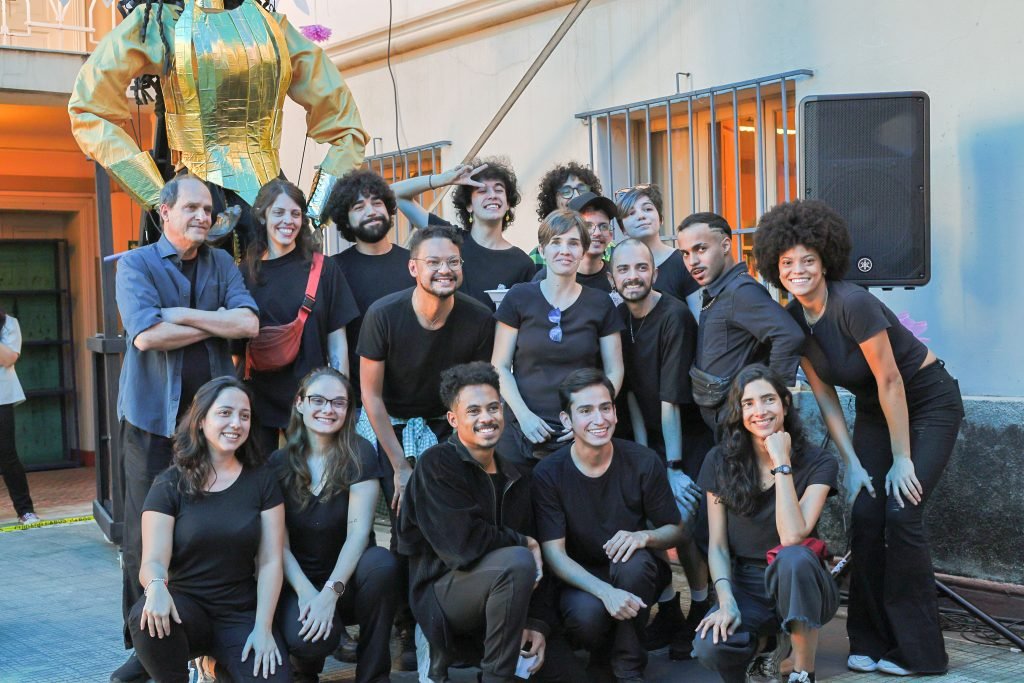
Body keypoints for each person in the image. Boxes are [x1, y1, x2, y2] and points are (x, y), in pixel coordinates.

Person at [753, 199, 963, 676]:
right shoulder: (792, 318)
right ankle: (868, 640)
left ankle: (917, 653)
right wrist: (849, 461)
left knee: (901, 510)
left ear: (826, 259)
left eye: (808, 259)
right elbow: (826, 396)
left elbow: (891, 381)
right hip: (874, 411)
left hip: (927, 402)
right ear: (775, 267)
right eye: (787, 263)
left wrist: (902, 458)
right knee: (866, 513)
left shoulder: (853, 303)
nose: (798, 270)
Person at [112, 174, 259, 683]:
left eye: (209, 211)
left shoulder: (222, 263)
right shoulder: (135, 264)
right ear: (165, 210)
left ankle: (203, 632)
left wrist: (184, 315)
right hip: (153, 422)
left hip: (213, 429)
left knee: (206, 527)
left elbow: (249, 325)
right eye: (192, 208)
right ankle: (143, 641)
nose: (203, 217)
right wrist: (214, 317)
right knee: (142, 534)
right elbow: (148, 336)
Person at [69, 0, 367, 248]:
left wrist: (314, 213)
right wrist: (312, 216)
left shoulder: (273, 28)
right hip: (254, 203)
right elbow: (88, 109)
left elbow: (87, 110)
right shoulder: (163, 23)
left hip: (218, 205)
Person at [357, 223, 495, 668]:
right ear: (413, 267)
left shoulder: (478, 317)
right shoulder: (383, 313)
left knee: (451, 505)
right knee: (403, 508)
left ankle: (450, 618)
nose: (444, 269)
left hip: (447, 424)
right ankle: (404, 623)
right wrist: (400, 464)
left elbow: (476, 393)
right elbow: (370, 396)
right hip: (388, 421)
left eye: (452, 261)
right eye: (433, 262)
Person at [399, 362, 585, 683]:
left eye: (493, 407)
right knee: (517, 559)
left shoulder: (516, 476)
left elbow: (541, 562)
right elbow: (461, 546)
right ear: (453, 420)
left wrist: (538, 623)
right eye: (473, 411)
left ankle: (509, 658)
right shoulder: (436, 465)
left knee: (570, 676)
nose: (486, 418)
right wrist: (522, 542)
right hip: (444, 599)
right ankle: (496, 676)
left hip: (507, 606)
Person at [128, 376, 288, 683]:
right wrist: (157, 586)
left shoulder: (262, 480)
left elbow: (270, 561)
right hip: (184, 610)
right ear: (201, 420)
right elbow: (152, 561)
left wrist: (263, 628)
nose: (236, 423)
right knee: (145, 616)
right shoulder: (169, 484)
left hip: (239, 612)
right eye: (225, 413)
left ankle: (216, 667)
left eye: (244, 415)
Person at [533, 369, 685, 682]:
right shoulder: (548, 473)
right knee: (587, 618)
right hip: (581, 578)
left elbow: (676, 529)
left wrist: (644, 536)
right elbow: (555, 555)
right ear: (566, 420)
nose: (599, 419)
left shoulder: (642, 461)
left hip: (635, 573)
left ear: (615, 412)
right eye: (585, 411)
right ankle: (604, 654)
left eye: (605, 407)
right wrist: (606, 593)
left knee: (634, 563)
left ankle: (629, 666)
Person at [692, 364, 839, 683]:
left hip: (804, 582)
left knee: (794, 558)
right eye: (748, 403)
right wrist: (726, 601)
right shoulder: (719, 461)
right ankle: (768, 644)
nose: (760, 410)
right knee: (710, 648)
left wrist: (781, 463)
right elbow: (716, 545)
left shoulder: (819, 462)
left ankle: (803, 672)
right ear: (738, 411)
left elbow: (792, 537)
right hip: (746, 582)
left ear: (785, 404)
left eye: (768, 400)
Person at [607, 239, 715, 660]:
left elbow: (671, 400)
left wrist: (669, 466)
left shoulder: (672, 315)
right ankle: (668, 607)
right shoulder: (617, 317)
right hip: (649, 439)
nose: (633, 276)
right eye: (624, 270)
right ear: (613, 278)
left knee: (680, 521)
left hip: (685, 438)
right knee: (639, 515)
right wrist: (639, 453)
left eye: (641, 268)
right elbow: (630, 391)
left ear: (653, 271)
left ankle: (701, 603)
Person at [271, 368, 397, 683]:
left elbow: (358, 533)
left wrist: (330, 592)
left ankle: (373, 675)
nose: (328, 409)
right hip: (299, 583)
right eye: (318, 400)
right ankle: (305, 665)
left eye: (338, 403)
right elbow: (277, 545)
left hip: (350, 581)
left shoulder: (360, 453)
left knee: (382, 564)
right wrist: (308, 594)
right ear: (299, 403)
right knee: (309, 641)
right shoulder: (278, 464)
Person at [493, 210, 624, 463]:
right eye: (556, 242)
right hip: (521, 433)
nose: (565, 250)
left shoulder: (600, 303)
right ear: (542, 250)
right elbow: (499, 365)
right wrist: (524, 416)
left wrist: (589, 420)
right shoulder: (519, 297)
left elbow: (614, 371)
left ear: (583, 251)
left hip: (578, 436)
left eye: (573, 243)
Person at [239, 179, 359, 454]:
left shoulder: (324, 269)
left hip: (313, 401)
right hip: (258, 402)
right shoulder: (245, 274)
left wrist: (339, 400)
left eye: (295, 214)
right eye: (278, 212)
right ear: (262, 216)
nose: (288, 221)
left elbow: (337, 342)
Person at [676, 211, 804, 434]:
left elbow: (789, 336)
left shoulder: (740, 292)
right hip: (725, 425)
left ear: (725, 245)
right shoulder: (721, 290)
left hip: (742, 427)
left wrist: (771, 400)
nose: (692, 261)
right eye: (685, 254)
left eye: (701, 249)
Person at [391, 160, 536, 309]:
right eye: (482, 190)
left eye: (499, 190)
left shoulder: (522, 264)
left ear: (508, 204)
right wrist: (442, 179)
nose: (492, 195)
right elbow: (394, 194)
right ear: (469, 205)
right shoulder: (449, 239)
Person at [326, 168, 415, 394]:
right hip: (359, 403)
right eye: (359, 207)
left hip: (417, 400)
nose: (371, 211)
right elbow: (336, 344)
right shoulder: (334, 269)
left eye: (377, 203)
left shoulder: (415, 263)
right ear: (345, 220)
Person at [615, 184, 699, 304]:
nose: (641, 216)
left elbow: (698, 318)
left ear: (661, 219)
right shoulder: (618, 267)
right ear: (622, 228)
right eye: (631, 213)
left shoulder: (684, 262)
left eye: (648, 209)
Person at [533, 192, 618, 296]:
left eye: (604, 226)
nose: (597, 233)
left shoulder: (617, 276)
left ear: (611, 234)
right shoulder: (546, 278)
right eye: (588, 226)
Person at [0, 308, 40, 524]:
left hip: (1, 398)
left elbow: (8, 358)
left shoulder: (8, 323)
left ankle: (25, 510)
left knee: (7, 455)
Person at [530, 162, 605, 270]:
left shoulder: (608, 248)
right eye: (566, 191)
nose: (576, 196)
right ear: (553, 200)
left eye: (582, 190)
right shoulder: (537, 258)